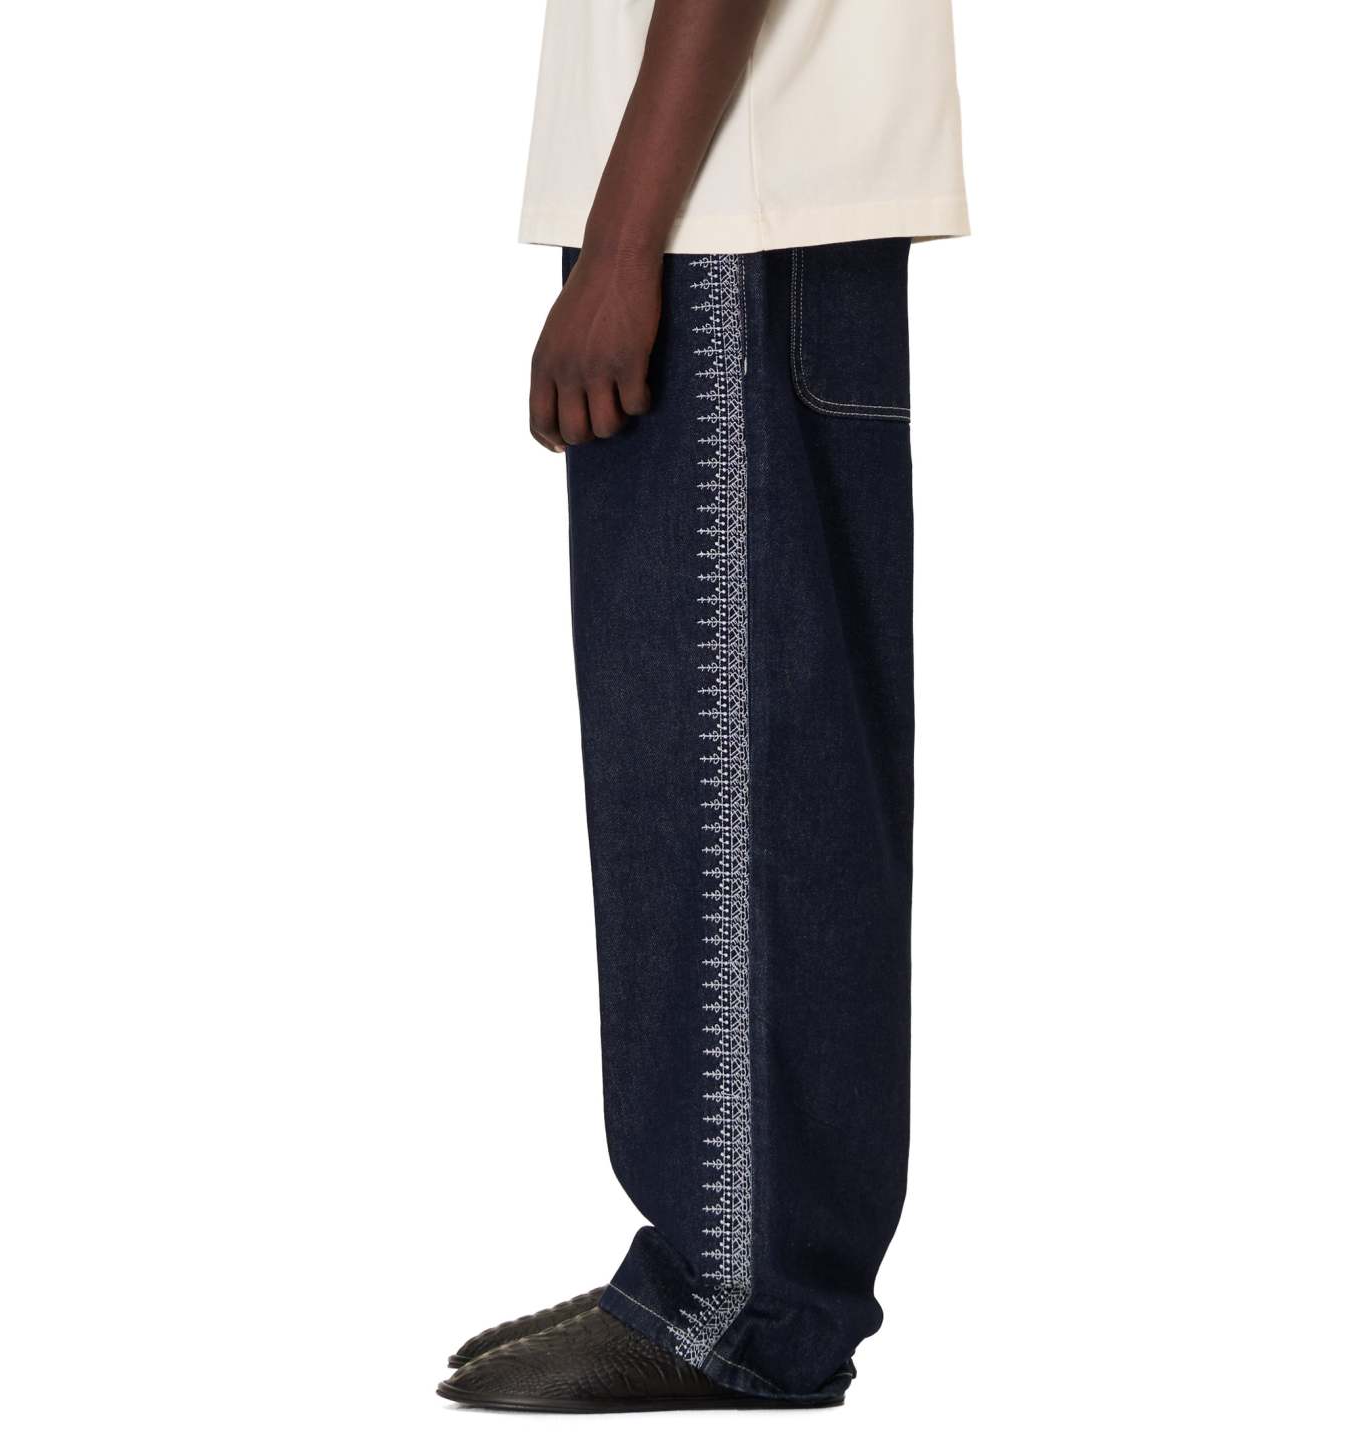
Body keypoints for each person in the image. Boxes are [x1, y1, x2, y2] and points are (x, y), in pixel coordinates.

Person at [437, 0, 968, 1413]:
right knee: (760, 766)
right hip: (732, 208)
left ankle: (741, 1297)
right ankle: (725, 1263)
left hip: (714, 221)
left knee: (728, 778)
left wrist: (622, 248)